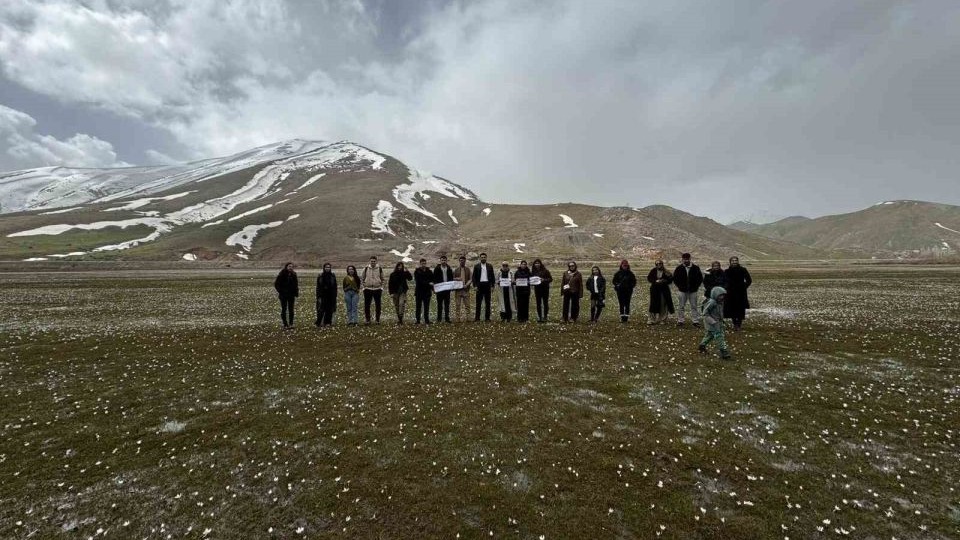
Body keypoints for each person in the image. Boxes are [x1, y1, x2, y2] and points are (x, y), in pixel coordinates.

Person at [699, 286, 731, 360]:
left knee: (710, 335)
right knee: (719, 337)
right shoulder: (712, 302)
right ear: (715, 295)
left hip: (717, 323)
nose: (722, 297)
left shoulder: (720, 302)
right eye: (720, 295)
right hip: (712, 324)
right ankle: (724, 352)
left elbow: (719, 313)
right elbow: (705, 313)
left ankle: (702, 345)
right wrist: (712, 321)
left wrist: (721, 320)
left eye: (723, 295)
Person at [674, 253, 704, 327]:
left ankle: (695, 321)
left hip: (693, 291)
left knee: (694, 306)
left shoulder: (696, 268)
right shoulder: (679, 268)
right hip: (682, 291)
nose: (686, 260)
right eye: (684, 259)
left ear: (690, 259)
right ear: (682, 259)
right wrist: (680, 286)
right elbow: (675, 278)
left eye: (687, 259)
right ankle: (680, 320)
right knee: (681, 306)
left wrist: (696, 286)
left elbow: (700, 278)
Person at [723, 256, 752, 331]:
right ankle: (734, 323)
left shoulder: (743, 270)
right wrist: (726, 288)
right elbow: (724, 281)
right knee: (731, 308)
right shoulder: (727, 271)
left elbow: (749, 280)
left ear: (738, 261)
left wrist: (744, 287)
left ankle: (739, 324)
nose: (734, 262)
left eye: (736, 260)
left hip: (740, 292)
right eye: (733, 260)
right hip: (730, 292)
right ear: (730, 262)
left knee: (740, 308)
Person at [647, 260, 674, 325]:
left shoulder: (666, 271)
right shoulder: (653, 271)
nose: (659, 265)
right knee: (653, 304)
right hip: (655, 290)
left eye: (660, 264)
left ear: (662, 264)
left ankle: (662, 319)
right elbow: (649, 278)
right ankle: (651, 319)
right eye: (657, 264)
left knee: (663, 305)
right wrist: (655, 281)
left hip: (664, 290)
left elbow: (670, 280)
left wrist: (664, 281)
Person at [274, 262, 299, 329]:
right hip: (283, 295)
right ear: (286, 267)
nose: (290, 268)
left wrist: (296, 292)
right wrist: (281, 291)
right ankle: (285, 324)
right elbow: (276, 284)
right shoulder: (282, 274)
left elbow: (296, 284)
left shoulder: (294, 274)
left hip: (291, 295)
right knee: (284, 309)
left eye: (291, 266)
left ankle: (291, 324)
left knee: (291, 310)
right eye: (289, 266)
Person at [472, 253, 495, 321]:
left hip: (487, 285)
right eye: (482, 257)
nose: (483, 258)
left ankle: (487, 318)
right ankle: (477, 318)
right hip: (479, 285)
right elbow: (474, 277)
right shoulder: (476, 266)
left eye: (484, 257)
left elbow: (492, 276)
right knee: (478, 303)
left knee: (488, 303)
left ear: (486, 258)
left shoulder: (490, 266)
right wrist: (475, 286)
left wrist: (492, 286)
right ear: (480, 258)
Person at [361, 256, 384, 324]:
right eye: (371, 261)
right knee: (367, 305)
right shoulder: (365, 269)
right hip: (367, 289)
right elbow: (362, 278)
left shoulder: (379, 269)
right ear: (370, 261)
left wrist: (381, 287)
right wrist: (364, 287)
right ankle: (368, 320)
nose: (373, 262)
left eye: (374, 261)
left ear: (376, 261)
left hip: (377, 289)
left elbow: (383, 279)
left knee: (378, 305)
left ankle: (377, 320)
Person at [315, 263, 337, 327]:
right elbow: (318, 286)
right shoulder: (320, 276)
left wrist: (335, 295)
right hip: (322, 295)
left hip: (330, 295)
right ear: (324, 268)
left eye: (329, 267)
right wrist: (318, 295)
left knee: (329, 310)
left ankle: (327, 322)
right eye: (326, 267)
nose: (327, 268)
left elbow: (335, 286)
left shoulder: (332, 276)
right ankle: (318, 322)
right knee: (321, 309)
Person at [433, 255, 454, 323]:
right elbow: (435, 279)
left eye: (445, 260)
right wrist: (435, 289)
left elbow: (451, 278)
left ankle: (447, 318)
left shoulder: (449, 268)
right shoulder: (437, 269)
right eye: (442, 260)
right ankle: (439, 319)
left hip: (447, 289)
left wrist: (451, 287)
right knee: (439, 304)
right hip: (440, 289)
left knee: (447, 304)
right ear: (440, 261)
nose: (443, 261)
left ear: (446, 261)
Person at [414, 258, 434, 324]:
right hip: (419, 292)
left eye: (424, 263)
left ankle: (426, 320)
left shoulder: (429, 271)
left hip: (427, 292)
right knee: (418, 307)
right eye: (422, 263)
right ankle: (418, 320)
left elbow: (432, 280)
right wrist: (428, 283)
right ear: (420, 264)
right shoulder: (417, 271)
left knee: (426, 307)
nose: (424, 265)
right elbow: (419, 281)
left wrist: (433, 289)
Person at [453, 255, 472, 322]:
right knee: (458, 305)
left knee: (467, 305)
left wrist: (467, 285)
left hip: (466, 290)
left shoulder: (468, 269)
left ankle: (468, 318)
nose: (462, 262)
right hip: (458, 290)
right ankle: (457, 318)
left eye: (463, 261)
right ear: (459, 261)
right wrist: (456, 279)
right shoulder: (456, 270)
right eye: (461, 261)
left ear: (465, 261)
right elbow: (452, 279)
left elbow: (470, 279)